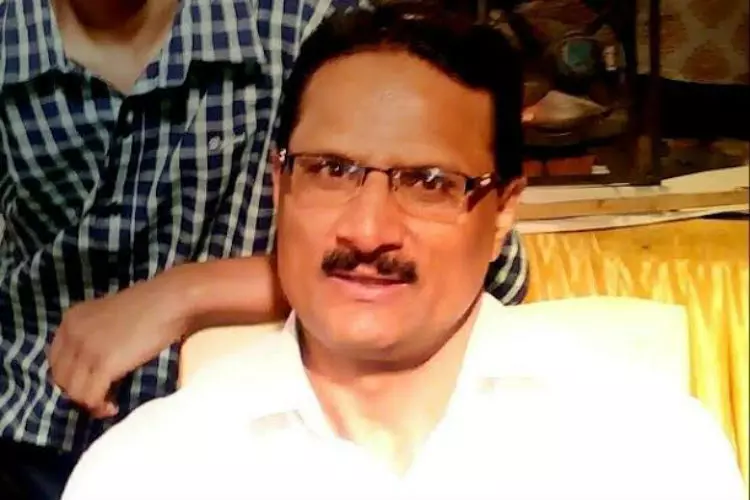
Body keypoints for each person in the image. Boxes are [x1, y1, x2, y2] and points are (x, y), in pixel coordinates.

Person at [60, 3, 745, 500]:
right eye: (331, 170)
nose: (367, 230)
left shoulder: (645, 449)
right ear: (280, 184)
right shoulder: (147, 472)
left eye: (429, 183)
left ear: (503, 210)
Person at [0, 0, 529, 498]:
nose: (369, 230)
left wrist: (186, 294)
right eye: (333, 169)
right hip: (32, 420)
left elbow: (484, 260)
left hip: (287, 426)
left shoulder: (296, 22)